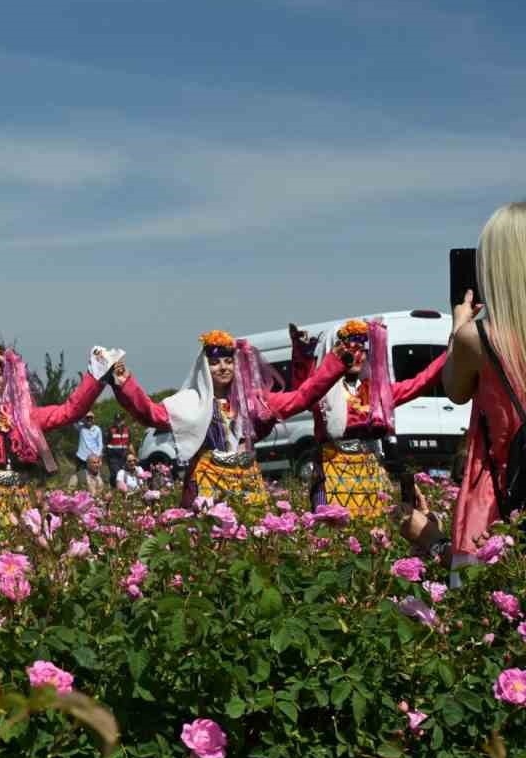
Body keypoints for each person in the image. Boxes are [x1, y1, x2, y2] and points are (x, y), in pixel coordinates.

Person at [112, 331, 352, 507]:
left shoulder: (253, 402)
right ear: (204, 368)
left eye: (228, 361)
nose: (223, 367)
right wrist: (125, 384)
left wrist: (333, 364)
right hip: (205, 484)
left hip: (245, 482)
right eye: (215, 363)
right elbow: (150, 413)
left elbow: (301, 397)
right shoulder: (189, 403)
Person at [0, 335, 120, 539]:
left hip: (19, 501)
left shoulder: (21, 417)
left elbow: (69, 411)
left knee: (21, 559)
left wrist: (96, 377)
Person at [289, 319, 448, 518]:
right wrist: (301, 353)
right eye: (351, 349)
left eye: (362, 350)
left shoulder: (377, 392)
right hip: (332, 474)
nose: (358, 356)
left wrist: (452, 349)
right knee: (333, 536)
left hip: (371, 476)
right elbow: (302, 390)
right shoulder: (322, 391)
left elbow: (421, 382)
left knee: (373, 536)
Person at [444, 200, 526, 564]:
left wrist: (458, 325)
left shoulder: (477, 339)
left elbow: (455, 390)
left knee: (486, 611)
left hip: (500, 502)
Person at [76, 412, 104, 477]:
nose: (89, 420)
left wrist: (99, 458)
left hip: (93, 458)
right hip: (82, 457)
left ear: (93, 419)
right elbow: (74, 419)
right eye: (87, 418)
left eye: (91, 418)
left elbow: (100, 444)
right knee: (81, 477)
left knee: (94, 477)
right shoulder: (80, 427)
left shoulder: (97, 429)